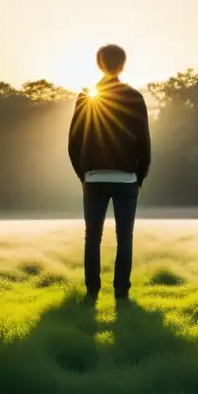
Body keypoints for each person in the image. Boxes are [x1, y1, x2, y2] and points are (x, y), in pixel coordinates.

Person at [68, 44, 151, 304]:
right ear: (122, 65)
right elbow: (144, 142)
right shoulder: (135, 97)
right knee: (124, 238)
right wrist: (141, 176)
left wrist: (83, 174)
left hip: (94, 178)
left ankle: (92, 292)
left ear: (99, 64)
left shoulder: (86, 96)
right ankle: (121, 293)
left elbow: (74, 141)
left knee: (92, 238)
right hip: (126, 178)